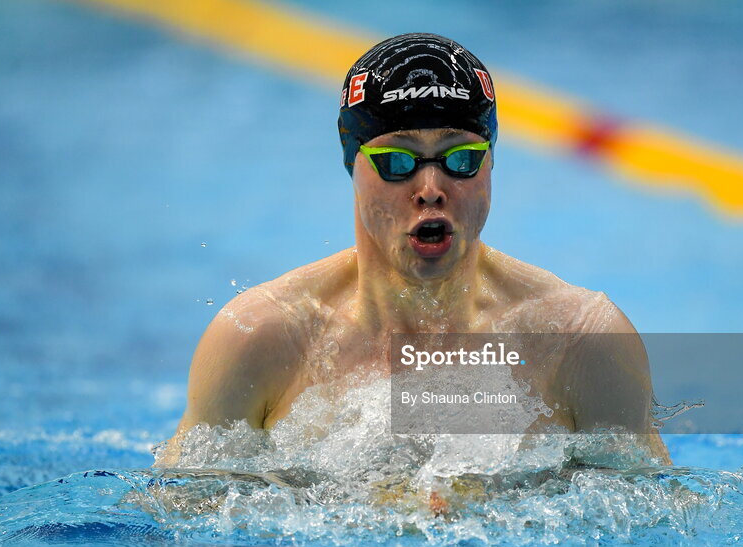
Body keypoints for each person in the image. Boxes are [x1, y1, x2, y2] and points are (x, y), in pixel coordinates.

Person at [158, 33, 669, 467]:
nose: (430, 186)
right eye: (398, 160)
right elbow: (183, 530)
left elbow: (648, 545)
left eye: (461, 158)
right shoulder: (260, 342)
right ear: (352, 164)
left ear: (491, 164)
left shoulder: (581, 344)